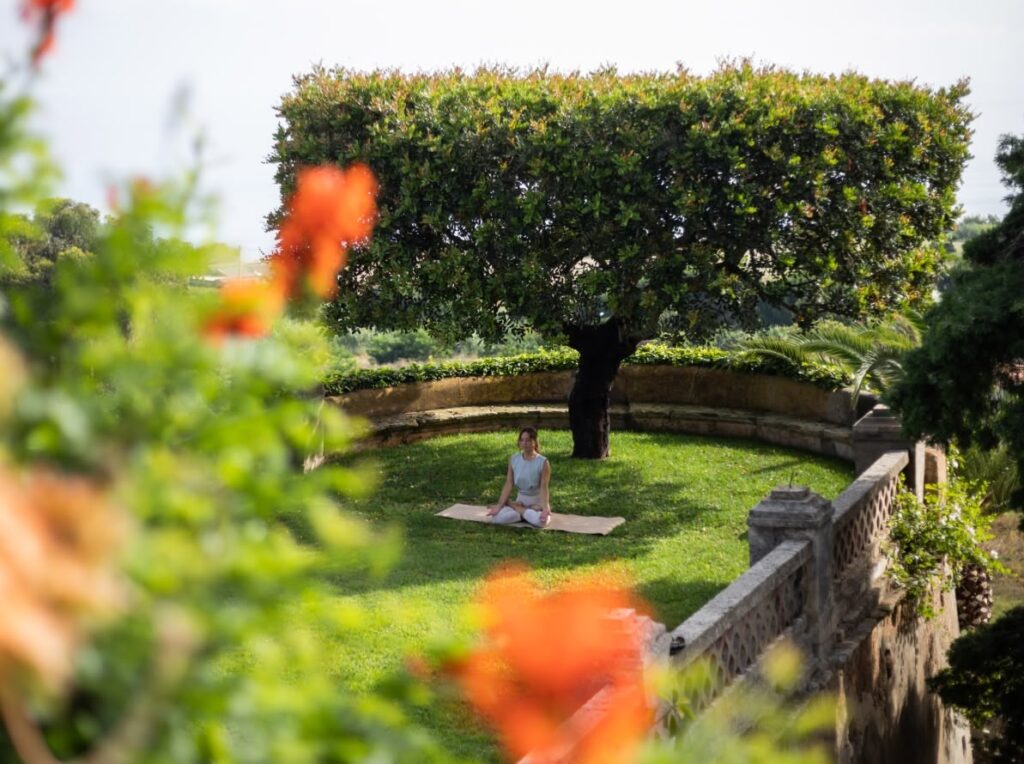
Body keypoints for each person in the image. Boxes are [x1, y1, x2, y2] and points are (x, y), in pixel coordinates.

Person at [486, 427, 551, 527]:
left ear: (534, 442)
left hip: (537, 503)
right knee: (496, 518)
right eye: (522, 440)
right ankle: (524, 512)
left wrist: (545, 508)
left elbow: (544, 487)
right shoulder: (514, 459)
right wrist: (499, 505)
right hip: (520, 500)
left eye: (528, 440)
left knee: (541, 522)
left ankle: (515, 507)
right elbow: (509, 483)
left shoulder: (543, 462)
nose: (524, 443)